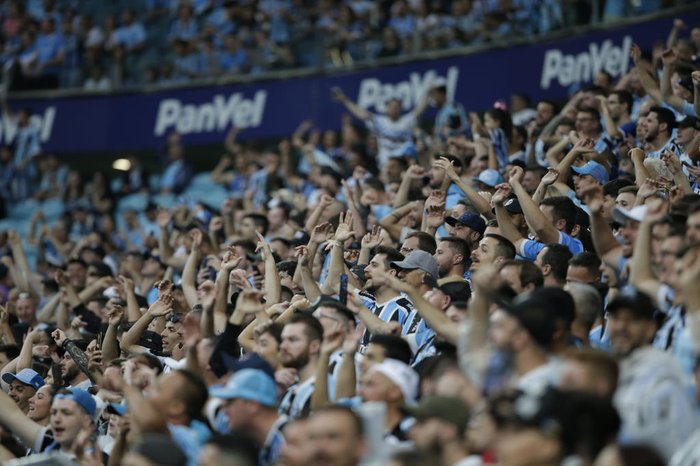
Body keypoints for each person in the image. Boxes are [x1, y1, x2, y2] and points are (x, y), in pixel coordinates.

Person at [210, 369, 287, 466]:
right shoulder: (264, 442)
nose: (224, 411)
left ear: (252, 405)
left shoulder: (289, 442)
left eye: (230, 402)